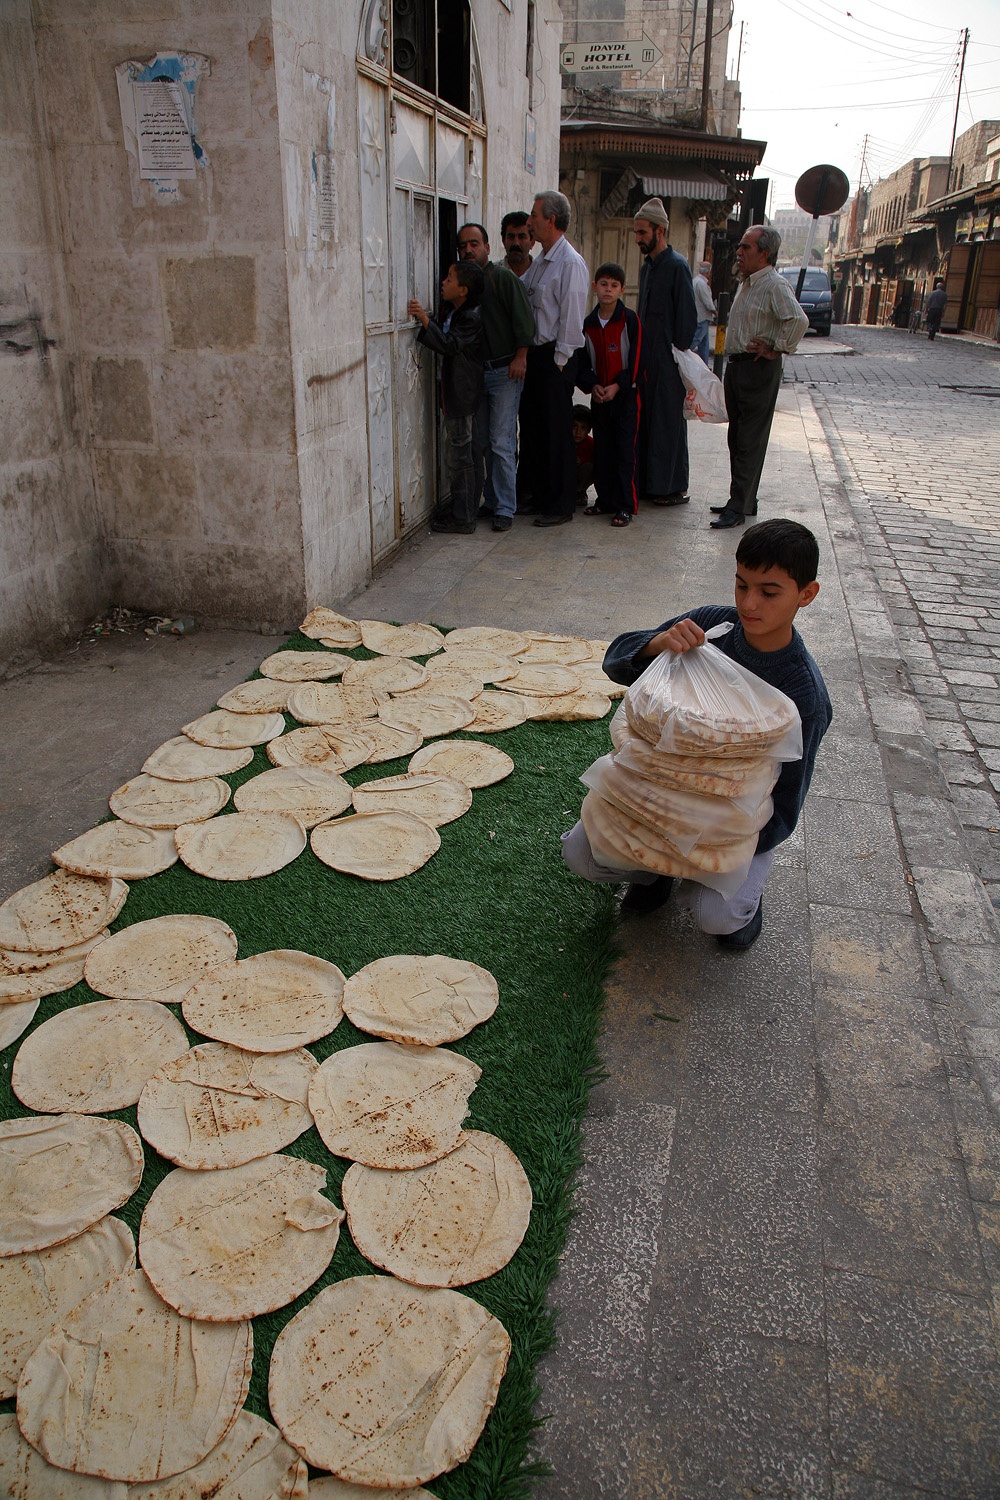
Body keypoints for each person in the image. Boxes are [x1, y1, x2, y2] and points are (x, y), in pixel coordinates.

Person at [561, 518, 832, 950]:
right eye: (741, 585)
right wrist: (656, 644)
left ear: (807, 594)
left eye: (768, 592)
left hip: (729, 824)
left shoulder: (804, 695)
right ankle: (653, 875)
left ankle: (743, 901)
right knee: (580, 854)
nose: (749, 603)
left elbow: (786, 803)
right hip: (657, 795)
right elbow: (615, 662)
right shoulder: (710, 627)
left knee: (716, 917)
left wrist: (708, 851)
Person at [711, 225, 808, 532]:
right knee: (737, 437)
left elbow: (797, 319)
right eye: (740, 247)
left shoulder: (774, 285)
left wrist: (776, 347)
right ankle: (743, 499)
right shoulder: (748, 283)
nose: (739, 252)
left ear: (764, 253)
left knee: (749, 439)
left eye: (746, 248)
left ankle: (738, 506)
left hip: (757, 369)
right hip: (738, 366)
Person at [457, 222, 535, 534]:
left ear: (488, 247)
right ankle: (491, 500)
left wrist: (521, 357)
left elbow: (524, 321)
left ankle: (505, 507)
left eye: (474, 243)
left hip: (505, 372)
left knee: (502, 442)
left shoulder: (501, 277)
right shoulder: (463, 285)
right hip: (478, 374)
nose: (469, 250)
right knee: (482, 441)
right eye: (463, 245)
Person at [519, 190, 590, 527]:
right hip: (537, 356)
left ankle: (560, 505)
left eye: (534, 216)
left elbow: (572, 321)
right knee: (534, 430)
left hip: (556, 358)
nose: (529, 222)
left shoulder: (570, 263)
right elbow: (523, 290)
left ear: (550, 219)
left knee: (556, 433)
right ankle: (539, 497)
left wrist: (560, 365)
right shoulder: (542, 261)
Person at [407, 261, 485, 535]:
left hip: (462, 395)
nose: (444, 282)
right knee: (461, 454)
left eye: (450, 279)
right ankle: (462, 512)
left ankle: (463, 518)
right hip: (456, 392)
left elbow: (451, 345)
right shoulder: (455, 310)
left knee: (461, 457)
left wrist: (425, 321)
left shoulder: (471, 316)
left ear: (462, 289)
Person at [633, 197, 698, 508]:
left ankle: (670, 487)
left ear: (659, 231)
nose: (638, 238)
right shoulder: (647, 268)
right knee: (646, 422)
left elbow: (687, 320)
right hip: (646, 360)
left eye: (642, 232)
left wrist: (675, 354)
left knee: (668, 424)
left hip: (669, 361)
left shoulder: (677, 266)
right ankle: (649, 484)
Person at [575, 262, 642, 527]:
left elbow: (637, 360)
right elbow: (582, 362)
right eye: (603, 284)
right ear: (594, 287)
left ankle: (626, 505)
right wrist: (594, 386)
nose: (608, 290)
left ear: (622, 290)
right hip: (600, 397)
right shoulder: (588, 324)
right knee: (603, 450)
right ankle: (604, 500)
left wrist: (618, 386)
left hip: (625, 397)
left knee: (625, 451)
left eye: (614, 286)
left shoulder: (630, 320)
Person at [692, 260, 716, 365]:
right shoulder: (701, 284)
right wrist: (716, 312)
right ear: (708, 272)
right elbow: (708, 303)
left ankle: (704, 364)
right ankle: (682, 355)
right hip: (702, 317)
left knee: (704, 344)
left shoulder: (695, 281)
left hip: (701, 316)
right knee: (696, 340)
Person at [571, 406, 595, 507]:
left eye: (583, 428)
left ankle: (579, 492)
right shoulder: (564, 442)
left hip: (581, 475)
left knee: (589, 467)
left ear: (589, 429)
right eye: (574, 426)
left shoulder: (591, 444)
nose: (578, 432)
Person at [500, 210, 534, 278]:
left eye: (522, 237)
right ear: (503, 241)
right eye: (511, 237)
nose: (516, 243)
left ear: (532, 242)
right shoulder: (492, 275)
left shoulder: (542, 273)